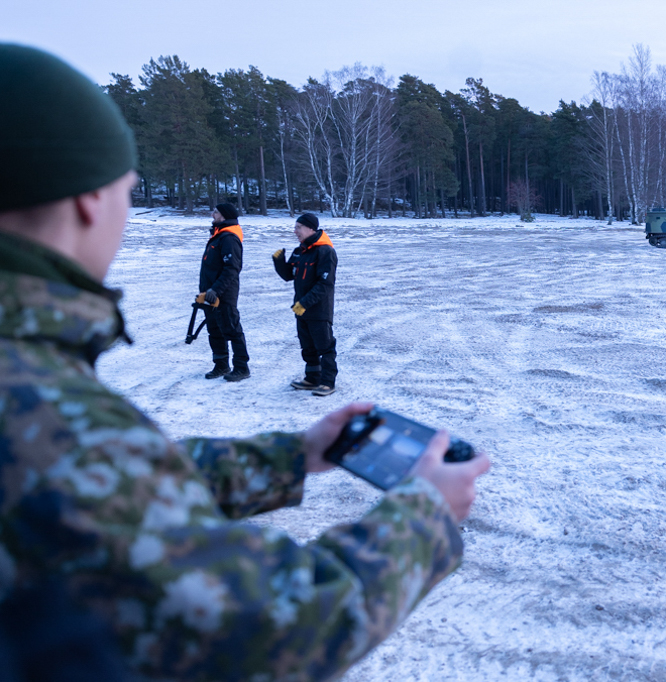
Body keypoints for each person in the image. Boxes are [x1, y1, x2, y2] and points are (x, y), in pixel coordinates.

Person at [0, 43, 490, 681]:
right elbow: (264, 625)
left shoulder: (39, 402)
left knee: (314, 347)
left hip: (309, 314)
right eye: (129, 190)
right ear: (90, 200)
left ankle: (310, 376)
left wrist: (293, 456)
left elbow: (103, 485)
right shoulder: (37, 400)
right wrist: (425, 517)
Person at [272, 213, 339, 396]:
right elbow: (288, 275)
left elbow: (325, 283)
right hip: (300, 308)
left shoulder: (325, 251)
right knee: (307, 346)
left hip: (318, 309)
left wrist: (306, 303)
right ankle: (312, 379)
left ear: (310, 228)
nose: (295, 232)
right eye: (295, 228)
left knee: (324, 346)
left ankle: (327, 382)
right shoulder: (300, 250)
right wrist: (279, 262)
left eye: (298, 228)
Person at [200, 201, 250, 381]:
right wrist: (206, 291)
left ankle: (242, 368)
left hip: (224, 294)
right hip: (210, 293)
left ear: (224, 215)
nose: (213, 214)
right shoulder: (218, 236)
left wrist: (216, 289)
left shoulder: (229, 238)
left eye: (216, 211)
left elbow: (232, 268)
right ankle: (221, 365)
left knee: (232, 330)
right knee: (214, 330)